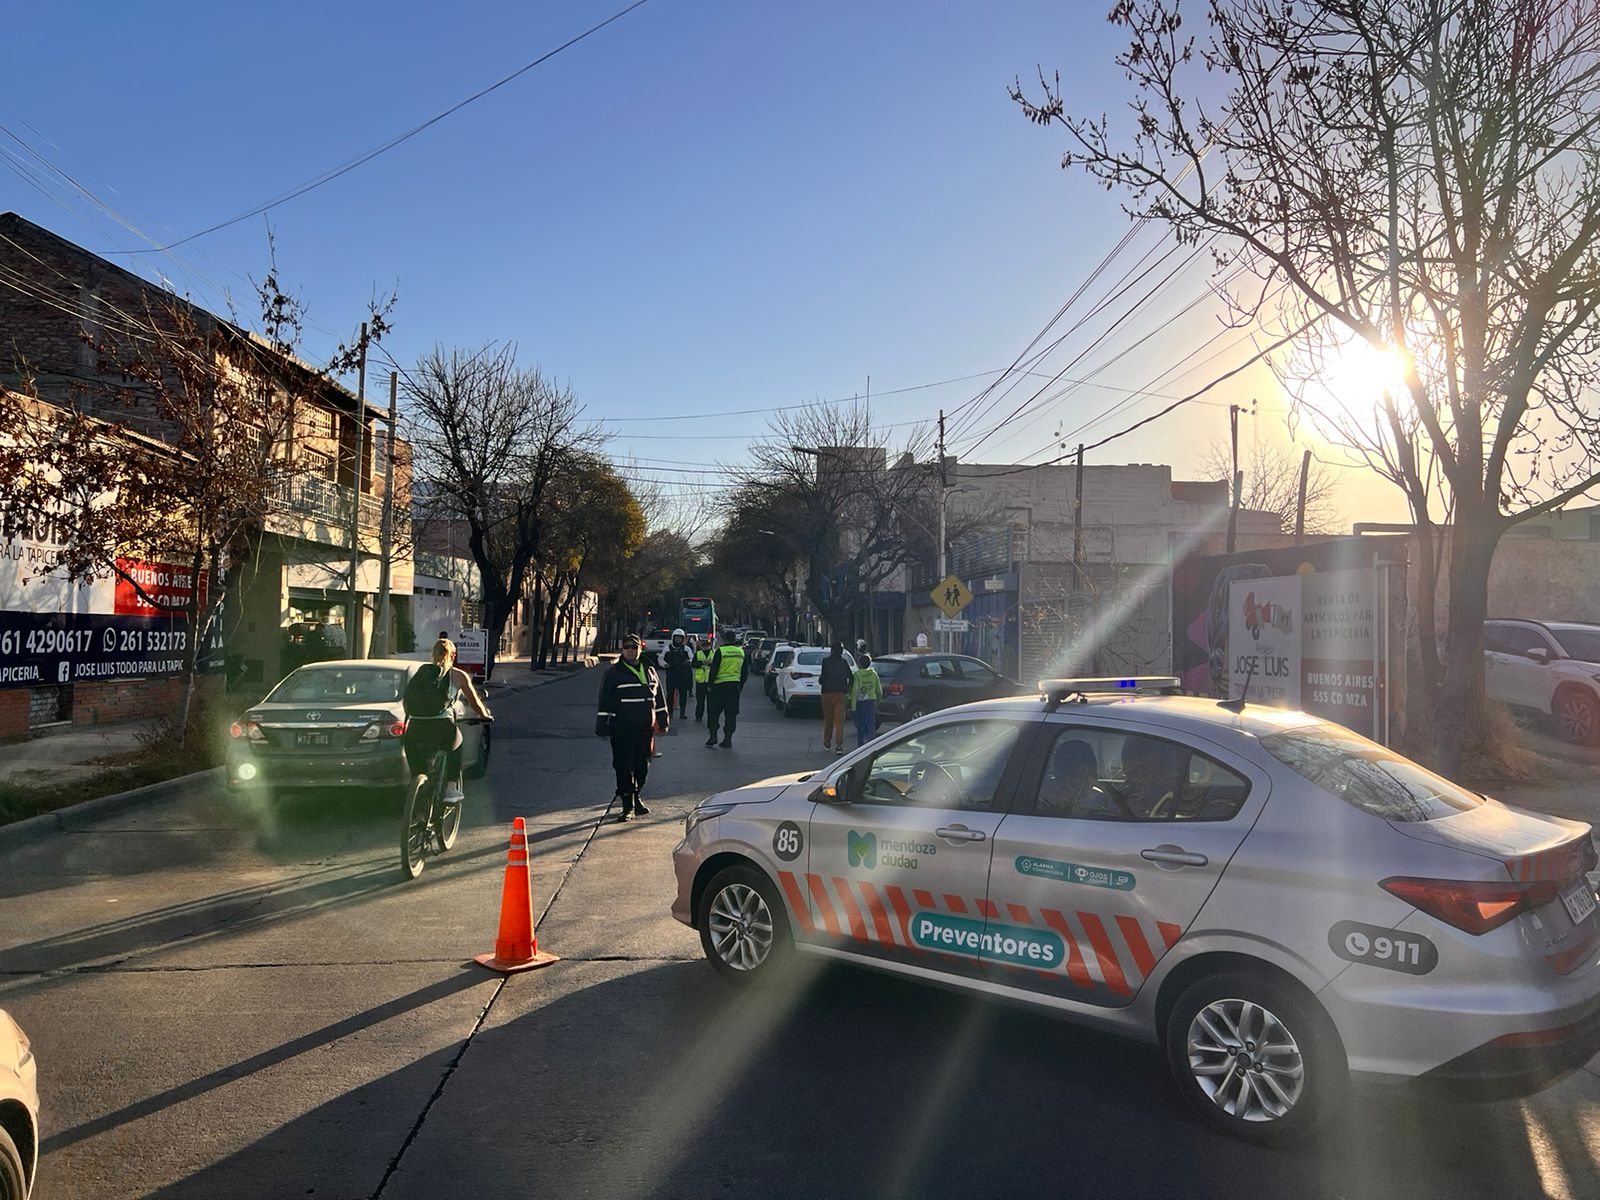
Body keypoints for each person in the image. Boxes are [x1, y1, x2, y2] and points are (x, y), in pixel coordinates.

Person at [402, 637, 492, 806]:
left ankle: (416, 795)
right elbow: (474, 702)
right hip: (442, 727)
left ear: (433, 654)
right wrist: (484, 716)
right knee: (457, 744)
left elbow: (408, 699)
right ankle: (451, 788)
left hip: (416, 727)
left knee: (418, 770)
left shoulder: (421, 672)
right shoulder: (458, 675)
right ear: (453, 655)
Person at [596, 634, 669, 821]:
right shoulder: (613, 673)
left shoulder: (650, 670)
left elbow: (658, 698)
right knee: (623, 766)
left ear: (640, 648)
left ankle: (637, 796)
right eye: (626, 647)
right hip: (622, 729)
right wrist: (602, 724)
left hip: (645, 728)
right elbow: (605, 700)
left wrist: (663, 719)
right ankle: (627, 805)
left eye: (634, 647)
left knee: (642, 766)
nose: (630, 650)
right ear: (622, 649)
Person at [705, 628, 748, 749]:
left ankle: (713, 736)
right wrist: (740, 685)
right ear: (734, 639)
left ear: (724, 639)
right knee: (731, 714)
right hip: (734, 687)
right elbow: (745, 672)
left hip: (719, 687)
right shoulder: (741, 652)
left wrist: (709, 685)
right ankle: (728, 739)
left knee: (713, 712)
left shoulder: (720, 651)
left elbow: (714, 669)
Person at [819, 641, 853, 755]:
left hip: (827, 693)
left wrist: (822, 682)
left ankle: (827, 740)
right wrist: (847, 689)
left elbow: (823, 677)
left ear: (832, 650)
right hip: (841, 693)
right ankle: (839, 745)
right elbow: (851, 677)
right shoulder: (844, 662)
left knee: (828, 718)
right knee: (839, 720)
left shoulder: (826, 662)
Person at [847, 651, 883, 749]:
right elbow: (879, 690)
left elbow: (855, 691)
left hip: (860, 702)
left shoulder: (857, 675)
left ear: (859, 664)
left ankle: (861, 746)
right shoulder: (874, 674)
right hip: (871, 701)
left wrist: (853, 706)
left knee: (861, 725)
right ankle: (872, 745)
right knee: (871, 724)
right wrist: (878, 700)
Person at [663, 629, 694, 723]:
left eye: (680, 638)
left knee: (683, 694)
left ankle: (682, 712)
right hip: (671, 675)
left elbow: (692, 658)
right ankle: (669, 712)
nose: (678, 640)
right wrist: (665, 664)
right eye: (676, 638)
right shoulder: (667, 648)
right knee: (670, 695)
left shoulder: (686, 649)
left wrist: (689, 662)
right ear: (673, 638)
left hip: (683, 675)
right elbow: (661, 658)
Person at [693, 635, 713, 722]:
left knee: (711, 702)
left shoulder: (714, 654)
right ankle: (698, 716)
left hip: (710, 681)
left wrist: (710, 663)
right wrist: (702, 663)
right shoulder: (698, 654)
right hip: (700, 681)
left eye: (707, 645)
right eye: (704, 645)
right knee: (700, 701)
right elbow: (693, 664)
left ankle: (711, 717)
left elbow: (717, 665)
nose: (705, 647)